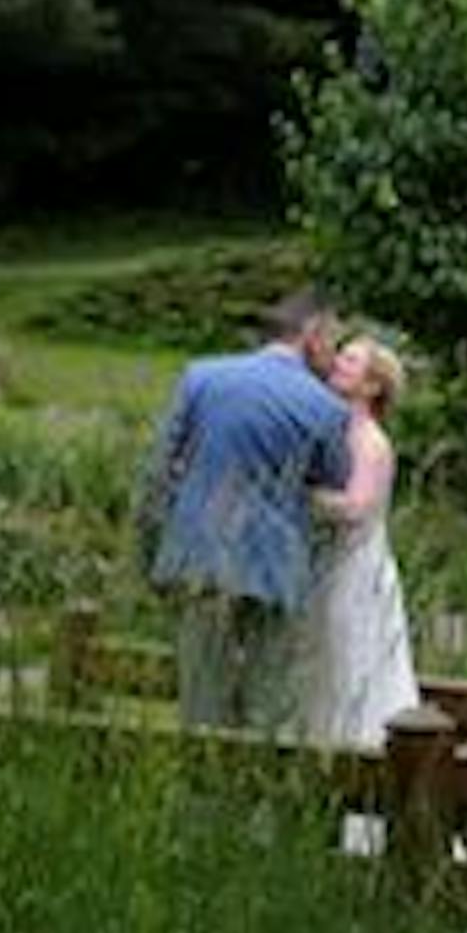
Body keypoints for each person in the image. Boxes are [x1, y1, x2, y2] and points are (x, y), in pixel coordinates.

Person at [138, 294, 351, 733]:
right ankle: (255, 795)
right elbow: (334, 480)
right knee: (267, 705)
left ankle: (200, 796)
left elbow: (159, 473)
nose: (333, 353)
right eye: (332, 340)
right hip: (276, 567)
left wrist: (153, 552)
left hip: (199, 557)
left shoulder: (202, 377)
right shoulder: (324, 407)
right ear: (310, 334)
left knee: (200, 703)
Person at [302, 335, 420, 750]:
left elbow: (356, 508)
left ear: (372, 385)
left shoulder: (371, 442)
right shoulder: (330, 431)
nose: (339, 363)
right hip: (326, 564)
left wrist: (302, 497)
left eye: (351, 360)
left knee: (354, 658)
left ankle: (364, 754)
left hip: (357, 571)